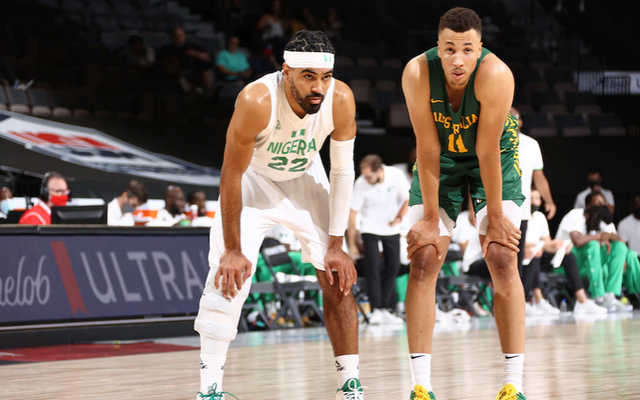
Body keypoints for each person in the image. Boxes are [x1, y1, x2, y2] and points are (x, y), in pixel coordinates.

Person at [194, 30, 363, 399]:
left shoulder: (341, 99)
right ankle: (209, 391)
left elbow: (342, 171)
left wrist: (337, 244)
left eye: (326, 77)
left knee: (336, 275)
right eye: (308, 76)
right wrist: (233, 249)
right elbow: (231, 174)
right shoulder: (256, 99)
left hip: (305, 178)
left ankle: (349, 385)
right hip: (253, 181)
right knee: (226, 278)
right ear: (286, 72)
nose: (318, 87)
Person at [402, 8, 526, 399]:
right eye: (450, 49)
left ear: (480, 48)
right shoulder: (417, 72)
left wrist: (496, 216)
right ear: (438, 47)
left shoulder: (497, 74)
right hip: (441, 159)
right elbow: (426, 146)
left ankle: (513, 383)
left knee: (502, 256)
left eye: (467, 49)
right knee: (423, 257)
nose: (458, 59)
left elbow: (486, 151)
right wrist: (430, 217)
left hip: (494, 157)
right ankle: (421, 385)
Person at [521, 190, 607, 316]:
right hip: (523, 254)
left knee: (568, 255)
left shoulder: (540, 217)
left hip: (540, 253)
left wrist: (558, 245)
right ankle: (531, 300)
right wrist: (534, 246)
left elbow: (547, 243)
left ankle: (582, 300)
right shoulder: (520, 217)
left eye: (537, 198)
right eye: (531, 198)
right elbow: (519, 242)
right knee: (535, 255)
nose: (535, 202)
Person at [347, 155, 409, 325]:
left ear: (379, 170)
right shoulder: (361, 183)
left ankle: (386, 308)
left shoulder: (395, 175)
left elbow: (407, 198)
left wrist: (398, 218)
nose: (367, 179)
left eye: (369, 176)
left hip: (391, 228)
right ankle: (375, 309)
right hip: (369, 227)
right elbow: (353, 213)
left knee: (394, 266)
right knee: (372, 267)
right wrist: (352, 244)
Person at [556, 191, 632, 312]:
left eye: (603, 203)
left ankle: (610, 295)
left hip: (591, 263)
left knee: (619, 247)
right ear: (589, 205)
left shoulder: (601, 219)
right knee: (593, 245)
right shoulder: (575, 214)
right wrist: (599, 236)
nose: (602, 205)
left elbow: (620, 241)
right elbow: (577, 241)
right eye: (598, 202)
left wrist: (609, 236)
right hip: (567, 262)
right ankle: (598, 296)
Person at [510, 106, 556, 278]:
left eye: (514, 117)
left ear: (520, 122)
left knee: (519, 257)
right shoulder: (492, 141)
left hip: (522, 210)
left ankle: (519, 295)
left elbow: (539, 176)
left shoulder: (531, 144)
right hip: (497, 209)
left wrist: (549, 201)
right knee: (501, 257)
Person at [159, 26, 214, 93]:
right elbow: (163, 61)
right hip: (177, 72)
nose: (179, 37)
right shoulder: (167, 49)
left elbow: (207, 56)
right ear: (172, 37)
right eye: (176, 35)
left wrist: (195, 53)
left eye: (181, 35)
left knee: (206, 70)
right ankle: (194, 90)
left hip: (194, 70)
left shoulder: (192, 46)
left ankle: (209, 92)